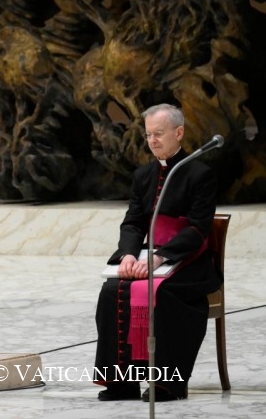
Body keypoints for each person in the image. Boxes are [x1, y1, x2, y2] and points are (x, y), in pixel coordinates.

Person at [94, 104, 222, 402]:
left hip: (189, 260)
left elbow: (198, 228)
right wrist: (128, 255)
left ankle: (166, 383)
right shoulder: (143, 175)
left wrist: (161, 256)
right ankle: (123, 382)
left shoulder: (201, 174)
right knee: (112, 290)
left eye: (159, 134)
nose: (152, 140)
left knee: (164, 294)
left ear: (179, 133)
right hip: (149, 256)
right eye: (148, 134)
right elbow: (133, 222)